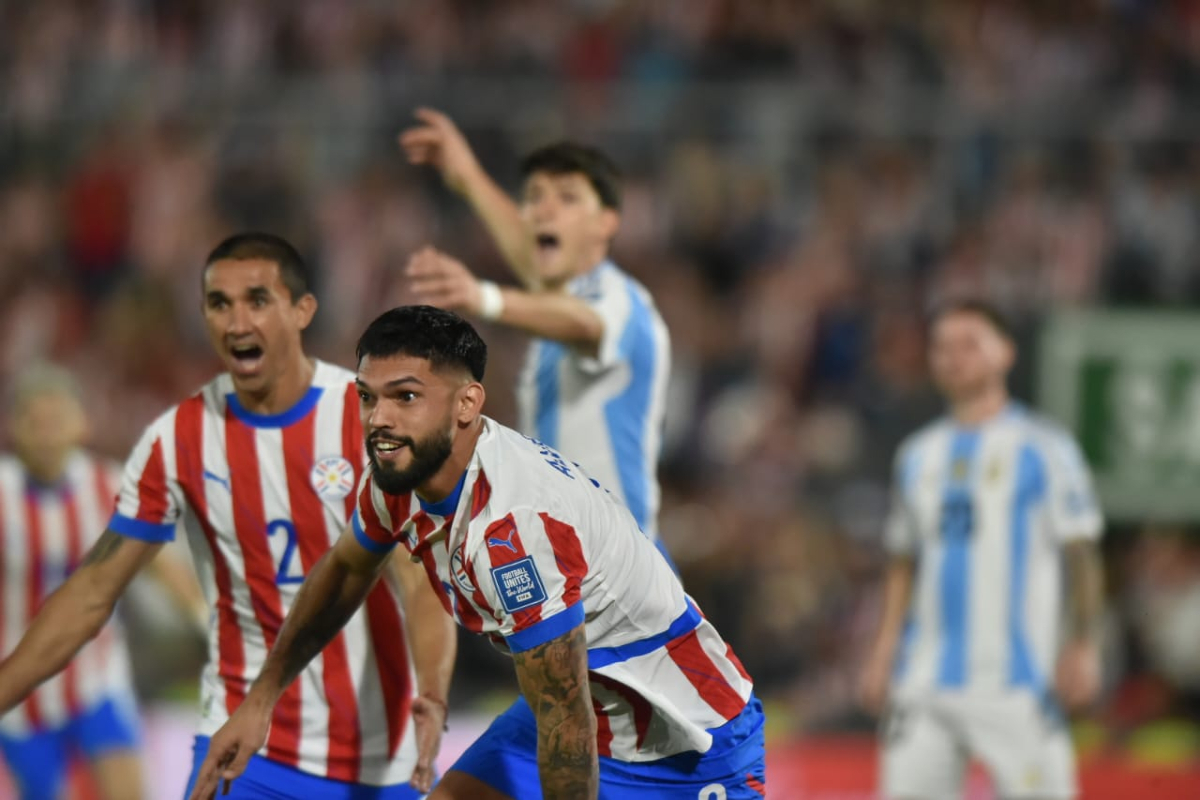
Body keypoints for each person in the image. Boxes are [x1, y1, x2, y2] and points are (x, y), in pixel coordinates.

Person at [191, 305, 765, 800]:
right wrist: (259, 700)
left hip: (688, 739)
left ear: (467, 403)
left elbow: (566, 720)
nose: (379, 420)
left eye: (406, 397)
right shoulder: (402, 477)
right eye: (369, 397)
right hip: (578, 710)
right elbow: (345, 570)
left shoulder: (513, 531)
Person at [0, 233, 456, 799]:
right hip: (245, 751)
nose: (237, 320)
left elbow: (418, 578)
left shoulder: (367, 421)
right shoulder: (178, 440)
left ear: (302, 310)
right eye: (220, 304)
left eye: (258, 300)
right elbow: (94, 589)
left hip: (377, 759)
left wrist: (433, 693)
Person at [398, 110, 673, 562]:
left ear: (606, 222)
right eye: (535, 196)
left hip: (619, 568)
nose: (544, 208)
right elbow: (534, 261)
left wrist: (485, 297)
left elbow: (585, 323)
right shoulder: (557, 303)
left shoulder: (621, 299)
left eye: (567, 198)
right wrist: (465, 175)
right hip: (570, 561)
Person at [858, 299, 1105, 799]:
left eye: (969, 344)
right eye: (942, 347)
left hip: (1016, 683)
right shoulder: (917, 455)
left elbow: (1081, 550)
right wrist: (883, 651)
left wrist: (1083, 643)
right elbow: (903, 560)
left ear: (1006, 353)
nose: (953, 357)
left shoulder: (1044, 447)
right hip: (924, 684)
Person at [0, 365, 146, 800]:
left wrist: (202, 613)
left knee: (129, 790)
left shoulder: (112, 486)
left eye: (56, 420)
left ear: (82, 423)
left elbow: (162, 566)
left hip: (94, 676)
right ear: (13, 427)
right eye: (34, 421)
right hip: (22, 687)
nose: (46, 434)